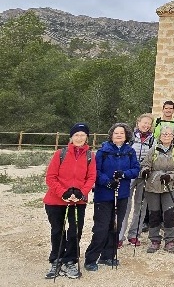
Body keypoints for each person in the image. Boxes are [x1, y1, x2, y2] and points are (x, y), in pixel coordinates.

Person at [44, 123, 96, 279]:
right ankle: (56, 259)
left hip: (77, 201)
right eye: (76, 135)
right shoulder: (60, 153)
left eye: (82, 135)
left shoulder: (90, 156)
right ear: (71, 137)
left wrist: (81, 193)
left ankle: (70, 260)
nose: (79, 138)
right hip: (56, 200)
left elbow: (91, 177)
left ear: (87, 137)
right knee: (57, 231)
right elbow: (51, 177)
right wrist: (63, 193)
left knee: (75, 232)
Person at [84, 123, 139, 272]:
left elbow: (136, 169)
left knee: (115, 226)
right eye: (116, 133)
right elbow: (95, 171)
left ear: (126, 136)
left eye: (122, 133)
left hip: (122, 194)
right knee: (101, 228)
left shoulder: (130, 152)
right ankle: (91, 258)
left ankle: (108, 255)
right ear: (111, 135)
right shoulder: (103, 151)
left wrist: (124, 174)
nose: (119, 135)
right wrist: (107, 182)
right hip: (104, 195)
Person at [140, 125, 174, 253]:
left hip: (169, 185)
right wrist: (145, 171)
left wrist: (171, 176)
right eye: (164, 134)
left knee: (169, 213)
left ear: (173, 136)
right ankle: (154, 240)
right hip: (153, 185)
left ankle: (169, 240)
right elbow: (145, 164)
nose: (166, 136)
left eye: (169, 134)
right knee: (154, 213)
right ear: (160, 136)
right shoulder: (153, 149)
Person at [119, 113, 155, 248]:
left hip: (144, 175)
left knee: (140, 205)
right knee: (125, 204)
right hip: (129, 174)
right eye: (144, 122)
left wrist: (148, 169)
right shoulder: (130, 138)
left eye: (149, 123)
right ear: (138, 122)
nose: (146, 125)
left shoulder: (153, 140)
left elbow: (153, 157)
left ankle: (134, 234)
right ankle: (119, 236)